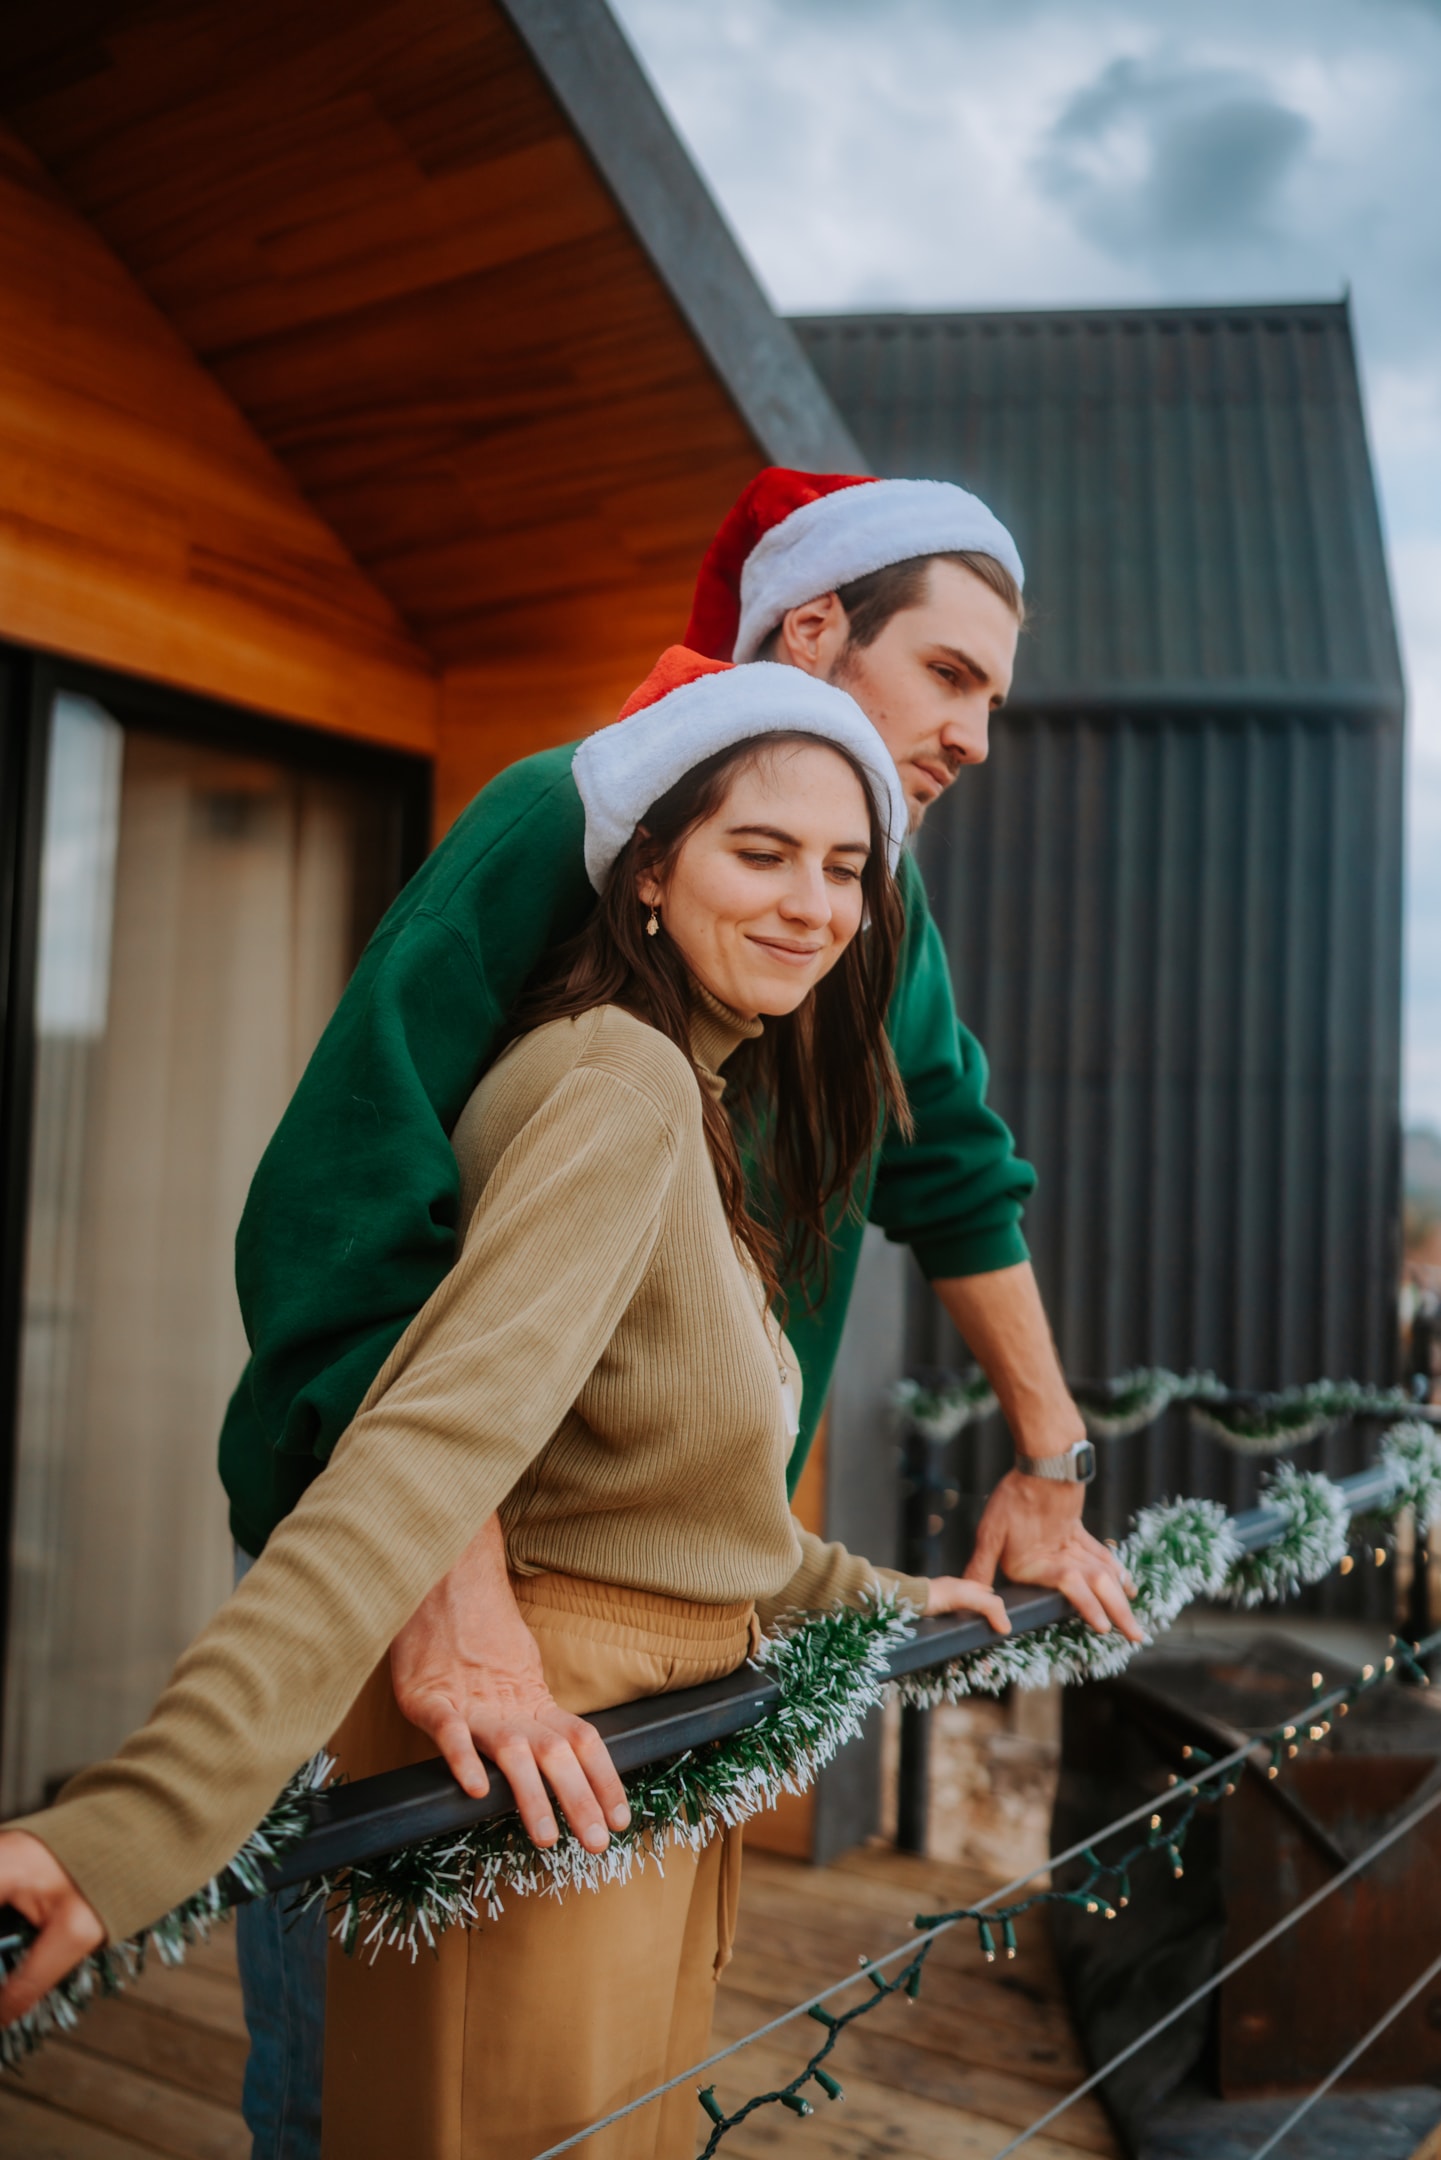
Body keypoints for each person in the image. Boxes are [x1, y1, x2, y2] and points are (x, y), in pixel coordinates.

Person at [0, 654, 1018, 2160]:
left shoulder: (690, 1101)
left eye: (845, 869)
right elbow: (421, 1447)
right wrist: (132, 1825)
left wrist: (864, 1598)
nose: (812, 904)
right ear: (648, 873)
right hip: (539, 1764)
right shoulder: (614, 1086)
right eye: (759, 852)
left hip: (647, 1756)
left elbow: (667, 1497)